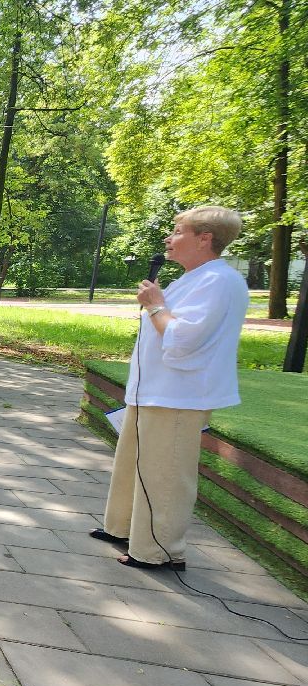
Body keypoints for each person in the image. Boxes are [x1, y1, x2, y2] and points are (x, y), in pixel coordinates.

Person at [95, 206, 250, 571]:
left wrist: (155, 305)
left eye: (177, 231)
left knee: (165, 475)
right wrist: (159, 304)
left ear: (204, 238)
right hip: (154, 390)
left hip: (180, 395)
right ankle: (124, 528)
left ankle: (160, 550)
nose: (169, 238)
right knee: (134, 464)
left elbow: (183, 338)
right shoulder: (191, 278)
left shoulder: (219, 281)